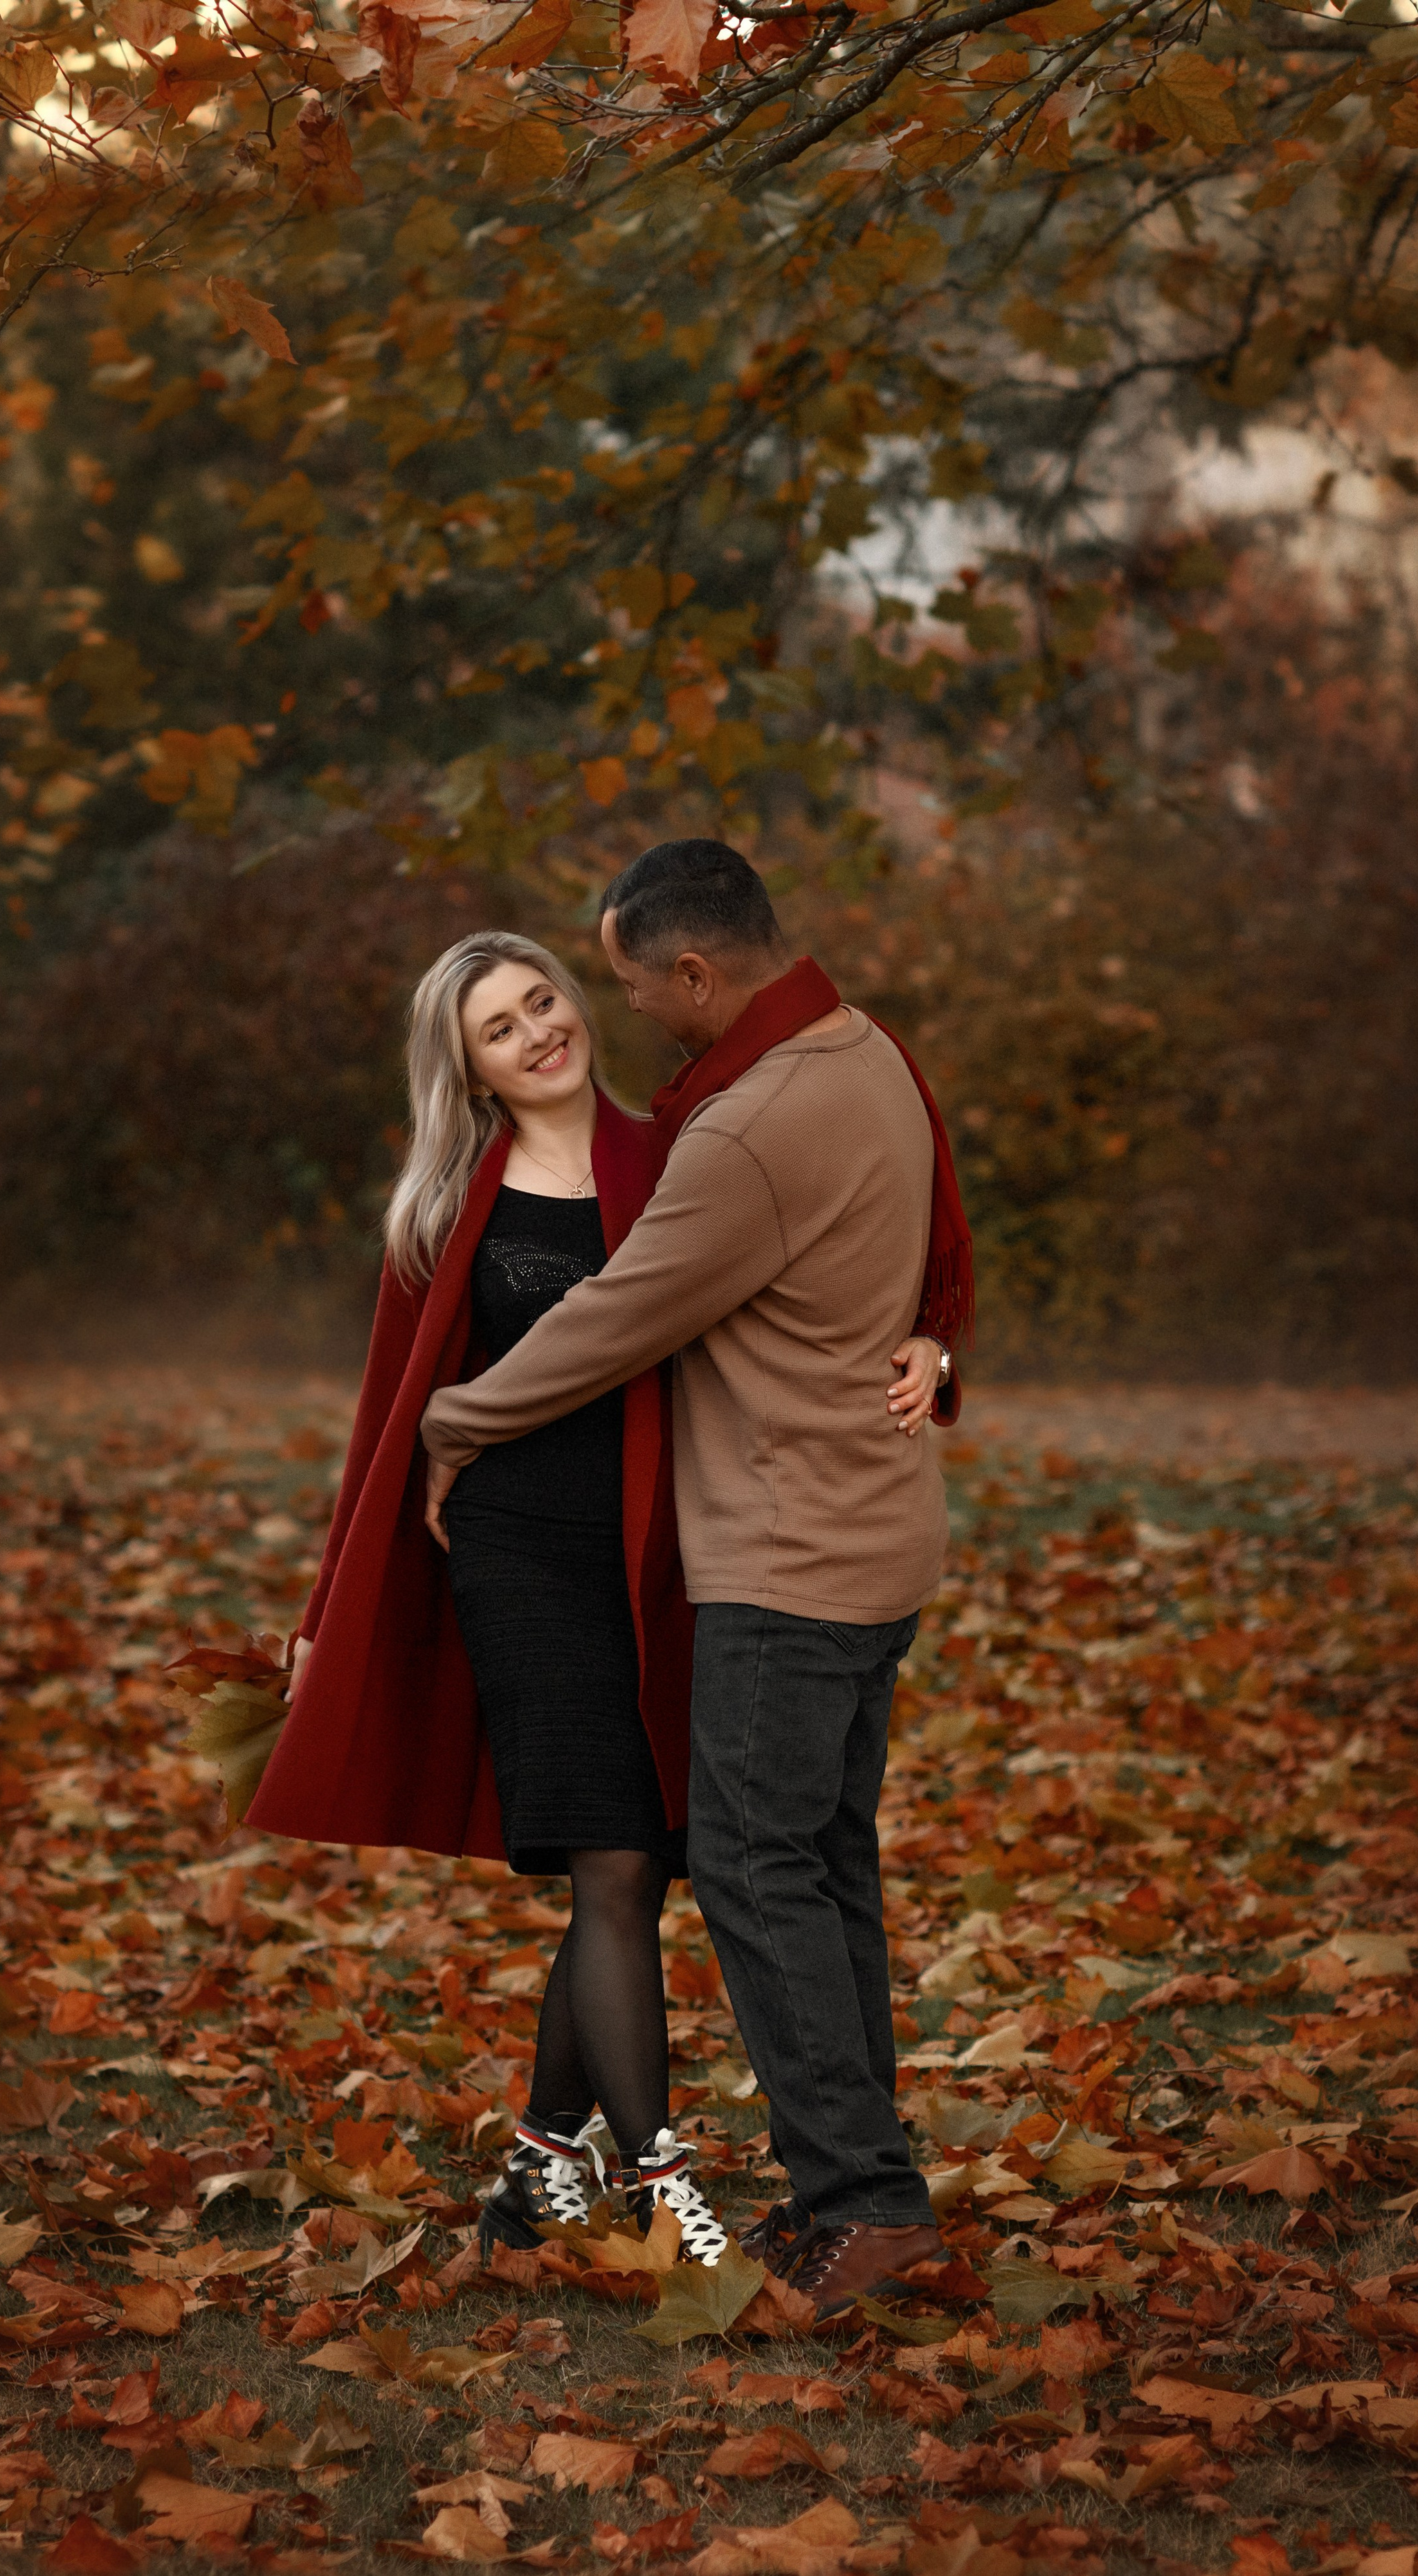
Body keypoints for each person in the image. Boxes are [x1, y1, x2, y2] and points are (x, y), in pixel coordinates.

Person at [421, 840, 974, 2320]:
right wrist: (934, 1333)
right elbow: (923, 1234)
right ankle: (865, 2197)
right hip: (877, 1540)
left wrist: (452, 1421)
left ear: (692, 972)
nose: (616, 1021)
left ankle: (856, 2206)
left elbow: (617, 1316)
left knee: (747, 1868)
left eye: (614, 989)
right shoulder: (866, 1054)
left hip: (786, 1559)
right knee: (819, 1863)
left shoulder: (738, 1131)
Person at [246, 931, 731, 2267]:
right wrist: (323, 1608)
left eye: (541, 1001)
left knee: (629, 1872)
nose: (535, 1034)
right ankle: (661, 2182)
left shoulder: (679, 1165)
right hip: (511, 1554)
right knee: (618, 1858)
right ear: (467, 1072)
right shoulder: (447, 1212)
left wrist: (929, 1330)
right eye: (497, 1030)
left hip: (656, 1555)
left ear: (576, 1004)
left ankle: (534, 2168)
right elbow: (383, 1427)